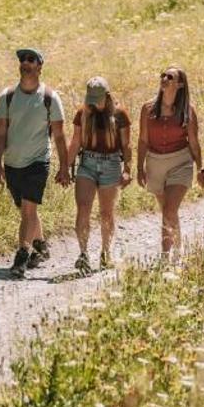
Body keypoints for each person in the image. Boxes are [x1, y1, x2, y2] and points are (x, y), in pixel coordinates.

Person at [0, 47, 71, 276]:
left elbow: (59, 135)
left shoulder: (50, 98)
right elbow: (0, 132)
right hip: (12, 162)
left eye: (30, 59)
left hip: (38, 161)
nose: (24, 63)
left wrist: (65, 166)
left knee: (28, 209)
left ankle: (21, 257)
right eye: (21, 60)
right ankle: (41, 245)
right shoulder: (7, 97)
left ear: (39, 66)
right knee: (25, 209)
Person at [136, 65, 204, 259]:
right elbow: (143, 140)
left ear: (180, 84)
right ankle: (178, 249)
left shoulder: (187, 111)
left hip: (180, 162)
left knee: (169, 210)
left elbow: (194, 142)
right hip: (155, 162)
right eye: (163, 76)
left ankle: (166, 258)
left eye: (170, 77)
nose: (164, 79)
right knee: (168, 211)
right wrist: (139, 167)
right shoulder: (148, 109)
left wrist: (200, 169)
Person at [71, 76, 134, 272]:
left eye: (97, 98)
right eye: (91, 98)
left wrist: (128, 170)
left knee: (106, 213)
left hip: (111, 163)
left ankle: (106, 252)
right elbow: (75, 142)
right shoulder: (83, 113)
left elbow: (126, 145)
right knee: (83, 207)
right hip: (87, 162)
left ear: (106, 96)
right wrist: (66, 166)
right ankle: (83, 253)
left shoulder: (120, 114)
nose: (93, 102)